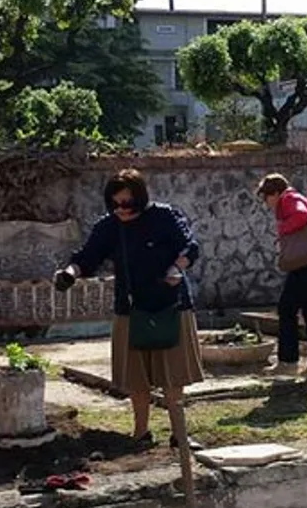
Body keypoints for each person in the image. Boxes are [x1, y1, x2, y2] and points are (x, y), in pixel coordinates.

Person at [54, 168, 206, 450]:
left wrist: (175, 269)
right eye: (115, 204)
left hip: (170, 306)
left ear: (141, 198)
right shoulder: (108, 227)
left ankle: (180, 435)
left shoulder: (165, 217)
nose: (121, 209)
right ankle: (140, 434)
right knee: (137, 379)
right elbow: (85, 258)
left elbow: (190, 248)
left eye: (127, 203)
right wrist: (68, 275)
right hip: (130, 309)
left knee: (173, 376)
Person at [257, 173, 307, 380]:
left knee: (287, 308)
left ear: (275, 193)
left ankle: (288, 362)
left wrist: (283, 229)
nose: (266, 203)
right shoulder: (293, 199)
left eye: (266, 197)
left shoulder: (290, 199)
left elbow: (301, 216)